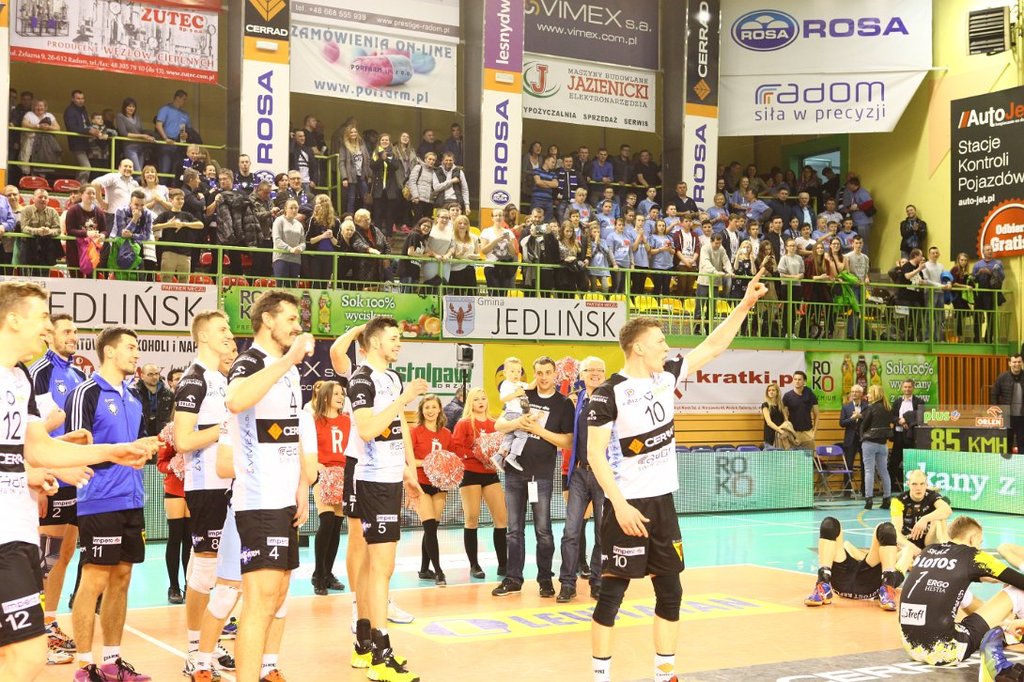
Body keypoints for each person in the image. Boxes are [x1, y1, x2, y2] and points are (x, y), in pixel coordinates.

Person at [586, 271, 767, 682]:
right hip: (627, 507)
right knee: (611, 595)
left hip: (663, 504)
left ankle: (665, 674)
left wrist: (744, 305)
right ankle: (600, 677)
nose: (667, 347)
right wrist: (619, 505)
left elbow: (713, 346)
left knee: (671, 592)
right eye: (660, 342)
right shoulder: (608, 393)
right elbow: (595, 455)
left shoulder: (667, 375)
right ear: (637, 347)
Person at [0, 282, 151, 681]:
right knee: (24, 654)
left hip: (15, 532)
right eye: (42, 317)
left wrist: (109, 452)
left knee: (26, 653)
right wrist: (33, 470)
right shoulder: (59, 382)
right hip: (22, 529)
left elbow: (38, 446)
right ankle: (88, 661)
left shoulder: (19, 379)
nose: (47, 328)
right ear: (13, 319)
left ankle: (109, 658)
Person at [223, 291, 313, 682]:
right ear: (267, 320)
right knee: (259, 603)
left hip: (284, 499)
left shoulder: (289, 371)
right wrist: (288, 360)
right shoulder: (250, 362)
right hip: (258, 500)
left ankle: (262, 670)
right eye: (290, 318)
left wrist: (302, 483)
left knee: (277, 597)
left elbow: (292, 431)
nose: (297, 326)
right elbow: (235, 400)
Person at [67, 326, 157, 681]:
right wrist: (118, 455)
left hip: (132, 498)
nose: (136, 354)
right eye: (130, 347)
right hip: (99, 499)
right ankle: (84, 666)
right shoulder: (85, 392)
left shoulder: (133, 397)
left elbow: (132, 447)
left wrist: (145, 448)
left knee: (122, 577)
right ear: (109, 351)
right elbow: (76, 449)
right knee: (94, 580)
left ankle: (111, 662)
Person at [348, 317, 428, 681]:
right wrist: (404, 398)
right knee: (382, 567)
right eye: (393, 338)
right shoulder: (362, 379)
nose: (398, 343)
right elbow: (367, 429)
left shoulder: (392, 378)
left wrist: (408, 470)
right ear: (376, 342)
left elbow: (398, 427)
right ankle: (381, 656)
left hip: (391, 477)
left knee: (374, 566)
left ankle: (364, 643)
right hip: (373, 479)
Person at [173, 310, 237, 678]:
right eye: (221, 329)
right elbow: (183, 440)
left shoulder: (223, 379)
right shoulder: (194, 380)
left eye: (229, 329)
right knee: (206, 569)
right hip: (207, 485)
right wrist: (225, 427)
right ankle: (195, 648)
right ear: (203, 337)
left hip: (231, 484)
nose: (229, 335)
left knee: (228, 570)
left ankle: (210, 643)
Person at [29, 314, 87, 661]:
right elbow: (33, 432)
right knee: (45, 557)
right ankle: (34, 630)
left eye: (75, 331)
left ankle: (49, 622)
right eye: (66, 331)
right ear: (49, 336)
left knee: (64, 555)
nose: (73, 336)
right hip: (51, 477)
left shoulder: (79, 375)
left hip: (74, 476)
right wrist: (40, 476)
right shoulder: (40, 372)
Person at [492, 357, 574, 599]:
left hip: (542, 476)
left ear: (555, 374)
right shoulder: (523, 394)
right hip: (514, 474)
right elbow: (499, 425)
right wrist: (518, 422)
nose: (544, 377)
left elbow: (568, 441)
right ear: (534, 374)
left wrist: (539, 430)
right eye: (539, 372)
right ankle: (513, 579)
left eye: (548, 372)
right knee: (513, 530)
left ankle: (545, 579)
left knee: (543, 531)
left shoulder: (563, 404)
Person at [899, 516, 1024, 667]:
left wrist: (983, 578)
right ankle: (1015, 630)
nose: (979, 547)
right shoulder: (974, 555)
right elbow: (1020, 581)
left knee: (959, 590)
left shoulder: (928, 551)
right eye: (980, 543)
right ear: (973, 538)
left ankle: (1005, 627)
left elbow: (953, 572)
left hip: (911, 646)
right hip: (946, 650)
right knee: (1017, 592)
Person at [557, 356, 607, 603]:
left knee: (602, 532)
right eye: (590, 370)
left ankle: (598, 582)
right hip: (579, 472)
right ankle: (567, 584)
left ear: (605, 374)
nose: (595, 373)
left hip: (604, 474)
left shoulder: (612, 399)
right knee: (571, 531)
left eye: (600, 370)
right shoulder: (576, 400)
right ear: (582, 374)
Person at [451, 387, 508, 578]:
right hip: (470, 474)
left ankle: (503, 564)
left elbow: (502, 445)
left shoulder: (495, 423)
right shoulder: (464, 423)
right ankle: (474, 565)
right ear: (470, 402)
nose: (481, 402)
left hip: (490, 473)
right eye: (476, 399)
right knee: (472, 518)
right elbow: (456, 447)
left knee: (501, 518)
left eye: (483, 398)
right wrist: (477, 453)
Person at [803, 517, 905, 610]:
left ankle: (887, 589)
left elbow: (847, 545)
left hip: (854, 583)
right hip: (863, 583)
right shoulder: (892, 567)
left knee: (886, 529)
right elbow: (905, 557)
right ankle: (823, 585)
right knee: (829, 524)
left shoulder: (896, 573)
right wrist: (907, 548)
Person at [309, 381, 349, 596]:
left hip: (343, 475)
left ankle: (328, 573)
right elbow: (305, 449)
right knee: (326, 521)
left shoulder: (347, 421)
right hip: (322, 474)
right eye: (336, 394)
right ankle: (318, 574)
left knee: (336, 525)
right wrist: (316, 465)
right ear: (325, 397)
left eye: (342, 394)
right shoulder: (314, 421)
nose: (341, 397)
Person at [411, 394, 452, 586]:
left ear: (439, 409)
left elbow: (451, 458)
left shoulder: (446, 434)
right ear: (421, 411)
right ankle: (439, 571)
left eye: (433, 407)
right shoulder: (415, 432)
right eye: (426, 407)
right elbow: (408, 460)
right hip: (421, 483)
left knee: (432, 528)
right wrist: (429, 462)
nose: (430, 411)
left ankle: (423, 569)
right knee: (429, 526)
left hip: (440, 485)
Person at [155, 411, 189, 606]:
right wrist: (175, 465)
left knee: (191, 539)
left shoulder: (200, 430)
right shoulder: (168, 433)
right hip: (175, 488)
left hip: (195, 487)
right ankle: (174, 587)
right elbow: (160, 464)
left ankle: (191, 585)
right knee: (175, 537)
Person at [891, 469, 951, 558]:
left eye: (922, 484)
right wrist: (912, 547)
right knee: (892, 543)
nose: (918, 488)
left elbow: (947, 510)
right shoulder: (898, 501)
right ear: (908, 484)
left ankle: (947, 550)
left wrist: (924, 519)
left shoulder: (931, 495)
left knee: (939, 519)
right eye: (914, 484)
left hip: (928, 541)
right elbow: (896, 532)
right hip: (909, 542)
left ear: (926, 485)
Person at [154, 188, 204, 274]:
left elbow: (200, 225)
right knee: (166, 279)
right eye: (178, 199)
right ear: (171, 200)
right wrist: (168, 225)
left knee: (184, 280)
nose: (181, 201)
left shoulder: (187, 215)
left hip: (185, 253)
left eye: (182, 199)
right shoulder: (165, 215)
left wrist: (184, 224)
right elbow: (153, 227)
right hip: (168, 252)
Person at [859, 384, 892, 510]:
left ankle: (869, 499)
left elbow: (864, 424)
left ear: (874, 394)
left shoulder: (871, 408)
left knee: (869, 471)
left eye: (869, 393)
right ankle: (887, 498)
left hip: (869, 442)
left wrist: (862, 436)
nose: (867, 395)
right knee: (884, 471)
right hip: (883, 443)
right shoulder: (887, 407)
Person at [889, 378, 925, 494]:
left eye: (909, 387)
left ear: (913, 388)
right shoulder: (897, 402)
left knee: (912, 462)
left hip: (912, 436)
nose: (907, 389)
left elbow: (920, 416)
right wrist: (899, 421)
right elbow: (892, 416)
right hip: (898, 435)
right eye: (905, 387)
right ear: (902, 388)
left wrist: (907, 420)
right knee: (894, 462)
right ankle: (892, 487)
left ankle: (913, 486)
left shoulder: (919, 402)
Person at [64, 184, 106, 278]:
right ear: (81, 195)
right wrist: (86, 233)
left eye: (93, 193)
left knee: (92, 278)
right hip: (75, 250)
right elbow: (70, 230)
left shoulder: (99, 212)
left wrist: (102, 235)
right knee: (76, 277)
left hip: (93, 251)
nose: (92, 196)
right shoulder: (73, 210)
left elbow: (104, 230)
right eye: (89, 193)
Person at [19, 188, 62, 270]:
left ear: (48, 200)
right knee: (26, 273)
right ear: (33, 199)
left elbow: (58, 229)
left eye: (45, 197)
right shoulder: (26, 210)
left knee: (44, 273)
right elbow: (23, 227)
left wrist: (49, 231)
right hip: (28, 247)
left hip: (46, 248)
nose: (43, 199)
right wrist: (37, 231)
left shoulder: (53, 212)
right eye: (40, 197)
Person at [369, 133, 403, 237]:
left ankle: (389, 236)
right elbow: (372, 166)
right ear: (379, 141)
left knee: (390, 214)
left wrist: (386, 159)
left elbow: (395, 167)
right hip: (378, 188)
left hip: (390, 188)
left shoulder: (393, 153)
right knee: (378, 213)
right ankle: (378, 236)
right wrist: (381, 158)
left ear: (389, 142)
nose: (385, 141)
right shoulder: (375, 152)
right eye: (382, 140)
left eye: (386, 140)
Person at [990, 354, 1024, 454]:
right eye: (1014, 362)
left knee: (1022, 443)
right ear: (1010, 363)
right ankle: (1007, 463)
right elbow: (994, 394)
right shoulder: (1002, 377)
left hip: (1022, 417)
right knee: (1007, 443)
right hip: (1007, 417)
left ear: (1022, 363)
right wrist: (996, 410)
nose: (1017, 364)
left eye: (1019, 362)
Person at [304, 194, 340, 287]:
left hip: (330, 256)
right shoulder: (313, 220)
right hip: (316, 255)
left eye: (318, 203)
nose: (316, 206)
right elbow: (308, 240)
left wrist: (331, 237)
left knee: (325, 282)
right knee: (315, 282)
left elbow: (338, 243)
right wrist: (322, 236)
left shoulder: (336, 221)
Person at [838, 384, 866, 497]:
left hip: (864, 439)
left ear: (861, 394)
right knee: (848, 464)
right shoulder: (846, 407)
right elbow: (841, 423)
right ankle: (847, 491)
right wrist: (852, 418)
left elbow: (870, 420)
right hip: (850, 440)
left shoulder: (867, 406)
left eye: (856, 391)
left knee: (865, 465)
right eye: (852, 391)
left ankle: (865, 490)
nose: (854, 393)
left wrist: (861, 416)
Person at [114, 98, 156, 173]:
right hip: (130, 147)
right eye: (129, 106)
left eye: (133, 107)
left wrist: (149, 136)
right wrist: (142, 136)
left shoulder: (137, 117)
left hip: (141, 147)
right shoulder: (120, 116)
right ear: (124, 107)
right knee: (137, 171)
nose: (131, 108)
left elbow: (141, 130)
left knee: (140, 171)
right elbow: (123, 133)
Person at [155, 90, 191, 176]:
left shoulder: (185, 114)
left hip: (180, 145)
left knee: (177, 171)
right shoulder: (165, 109)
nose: (185, 102)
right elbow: (158, 125)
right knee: (165, 170)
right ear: (177, 98)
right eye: (184, 99)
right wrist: (165, 138)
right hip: (167, 143)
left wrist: (185, 136)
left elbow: (186, 129)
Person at [338, 124, 372, 215]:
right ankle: (350, 217)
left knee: (366, 198)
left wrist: (369, 174)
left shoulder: (362, 145)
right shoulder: (344, 146)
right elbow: (341, 163)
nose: (353, 134)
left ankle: (365, 216)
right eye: (351, 132)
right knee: (351, 199)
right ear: (348, 134)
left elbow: (368, 160)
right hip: (350, 177)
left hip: (362, 175)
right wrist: (344, 178)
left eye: (355, 132)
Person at [782, 370, 818, 450]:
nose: (797, 381)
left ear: (804, 381)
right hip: (793, 433)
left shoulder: (810, 394)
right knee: (793, 457)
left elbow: (817, 415)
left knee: (809, 457)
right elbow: (785, 415)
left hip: (808, 433)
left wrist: (814, 432)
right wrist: (790, 432)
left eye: (799, 379)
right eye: (795, 379)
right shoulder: (787, 396)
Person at [271, 199, 305, 280]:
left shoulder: (299, 225)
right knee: (281, 286)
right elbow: (277, 240)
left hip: (296, 260)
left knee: (293, 286)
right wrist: (290, 249)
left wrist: (300, 248)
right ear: (285, 209)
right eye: (291, 208)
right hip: (281, 258)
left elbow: (303, 242)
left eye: (296, 208)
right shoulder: (279, 220)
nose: (294, 210)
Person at [138, 363, 173, 437]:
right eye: (150, 374)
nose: (154, 377)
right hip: (140, 435)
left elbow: (172, 417)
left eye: (157, 374)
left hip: (162, 436)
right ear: (142, 376)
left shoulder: (169, 394)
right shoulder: (134, 393)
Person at [761, 382, 791, 449]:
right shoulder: (765, 405)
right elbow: (769, 422)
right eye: (769, 390)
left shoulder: (781, 405)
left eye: (773, 390)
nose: (771, 392)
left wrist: (785, 431)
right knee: (770, 454)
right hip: (770, 435)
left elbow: (786, 420)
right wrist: (780, 431)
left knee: (782, 454)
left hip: (781, 436)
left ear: (777, 392)